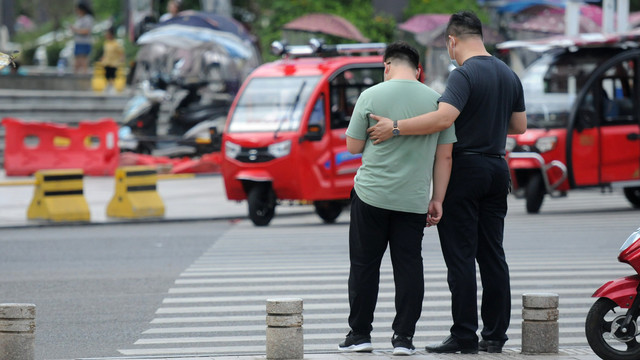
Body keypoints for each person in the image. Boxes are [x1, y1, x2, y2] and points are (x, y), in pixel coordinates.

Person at [367, 11, 527, 354]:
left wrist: (394, 127)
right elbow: (519, 126)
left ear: (452, 40)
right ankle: (496, 336)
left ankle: (465, 336)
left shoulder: (464, 75)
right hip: (498, 169)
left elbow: (443, 118)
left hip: (466, 170)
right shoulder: (508, 74)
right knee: (493, 255)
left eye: (448, 45)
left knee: (461, 257)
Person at [338, 41, 456, 356]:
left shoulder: (371, 95)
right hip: (413, 200)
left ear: (387, 65)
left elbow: (352, 146)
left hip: (371, 196)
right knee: (408, 266)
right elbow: (445, 158)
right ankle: (403, 338)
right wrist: (438, 199)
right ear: (418, 69)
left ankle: (360, 335)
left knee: (364, 265)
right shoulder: (437, 102)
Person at [70, 1, 94, 74]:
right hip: (78, 42)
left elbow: (87, 31)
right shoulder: (79, 18)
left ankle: (84, 78)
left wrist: (76, 30)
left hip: (84, 42)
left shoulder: (88, 18)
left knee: (83, 61)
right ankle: (75, 79)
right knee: (76, 61)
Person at [99, 26, 125, 93]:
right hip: (107, 62)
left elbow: (121, 52)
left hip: (114, 62)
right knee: (106, 75)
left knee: (113, 75)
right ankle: (108, 86)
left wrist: (122, 59)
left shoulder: (116, 44)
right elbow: (105, 53)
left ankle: (112, 87)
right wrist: (102, 58)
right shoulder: (106, 43)